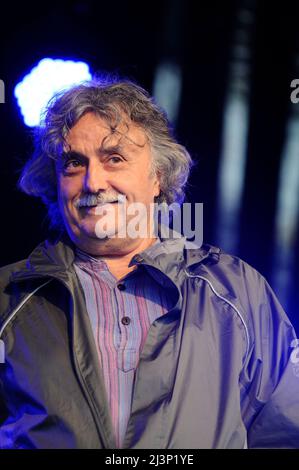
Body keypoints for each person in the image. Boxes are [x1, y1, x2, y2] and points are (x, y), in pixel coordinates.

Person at [0, 77, 299, 450]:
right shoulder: (9, 298)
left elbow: (285, 433)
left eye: (115, 158)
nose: (93, 182)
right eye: (74, 163)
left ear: (158, 176)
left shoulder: (237, 292)